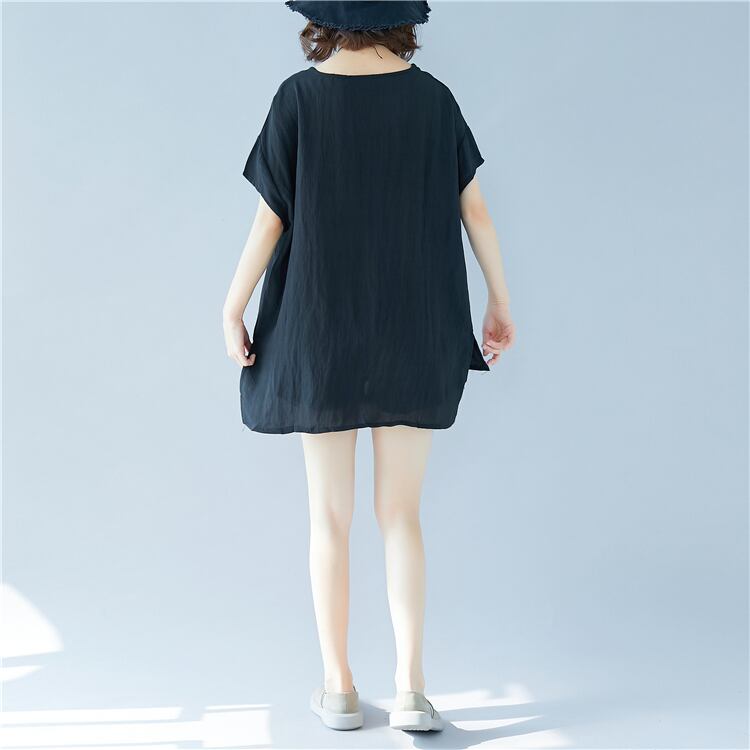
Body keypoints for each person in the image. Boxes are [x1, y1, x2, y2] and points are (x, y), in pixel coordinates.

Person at [222, 0, 515, 733]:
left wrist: (233, 305)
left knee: (329, 516)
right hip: (413, 329)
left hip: (320, 333)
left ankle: (340, 689)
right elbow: (476, 212)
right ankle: (412, 690)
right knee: (402, 514)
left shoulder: (299, 98)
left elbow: (270, 217)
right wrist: (499, 301)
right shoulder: (434, 100)